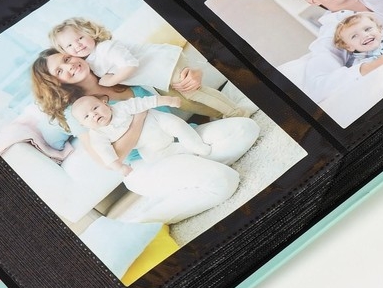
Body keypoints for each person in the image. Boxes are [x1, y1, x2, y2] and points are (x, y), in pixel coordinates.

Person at [31, 49, 260, 217]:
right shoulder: (78, 111)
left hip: (181, 137)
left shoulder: (121, 72)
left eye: (67, 59)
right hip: (145, 164)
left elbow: (170, 75)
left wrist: (194, 75)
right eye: (59, 71)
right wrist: (138, 118)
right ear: (56, 83)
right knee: (224, 182)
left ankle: (193, 171)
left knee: (246, 128)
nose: (69, 66)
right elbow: (108, 160)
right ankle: (157, 211)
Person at [49, 16, 250, 119]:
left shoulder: (106, 48)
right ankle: (228, 111)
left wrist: (111, 80)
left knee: (196, 93)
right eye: (70, 45)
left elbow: (130, 64)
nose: (77, 45)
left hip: (164, 64)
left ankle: (235, 112)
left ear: (90, 32)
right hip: (160, 73)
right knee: (192, 96)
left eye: (80, 38)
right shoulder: (92, 60)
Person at [71, 93, 213, 176]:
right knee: (155, 159)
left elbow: (143, 102)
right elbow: (105, 153)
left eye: (95, 108)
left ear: (105, 104)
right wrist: (119, 167)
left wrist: (168, 100)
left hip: (157, 121)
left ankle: (196, 145)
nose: (93, 114)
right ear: (84, 125)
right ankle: (187, 153)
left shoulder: (121, 108)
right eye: (86, 116)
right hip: (146, 144)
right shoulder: (97, 135)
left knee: (177, 125)